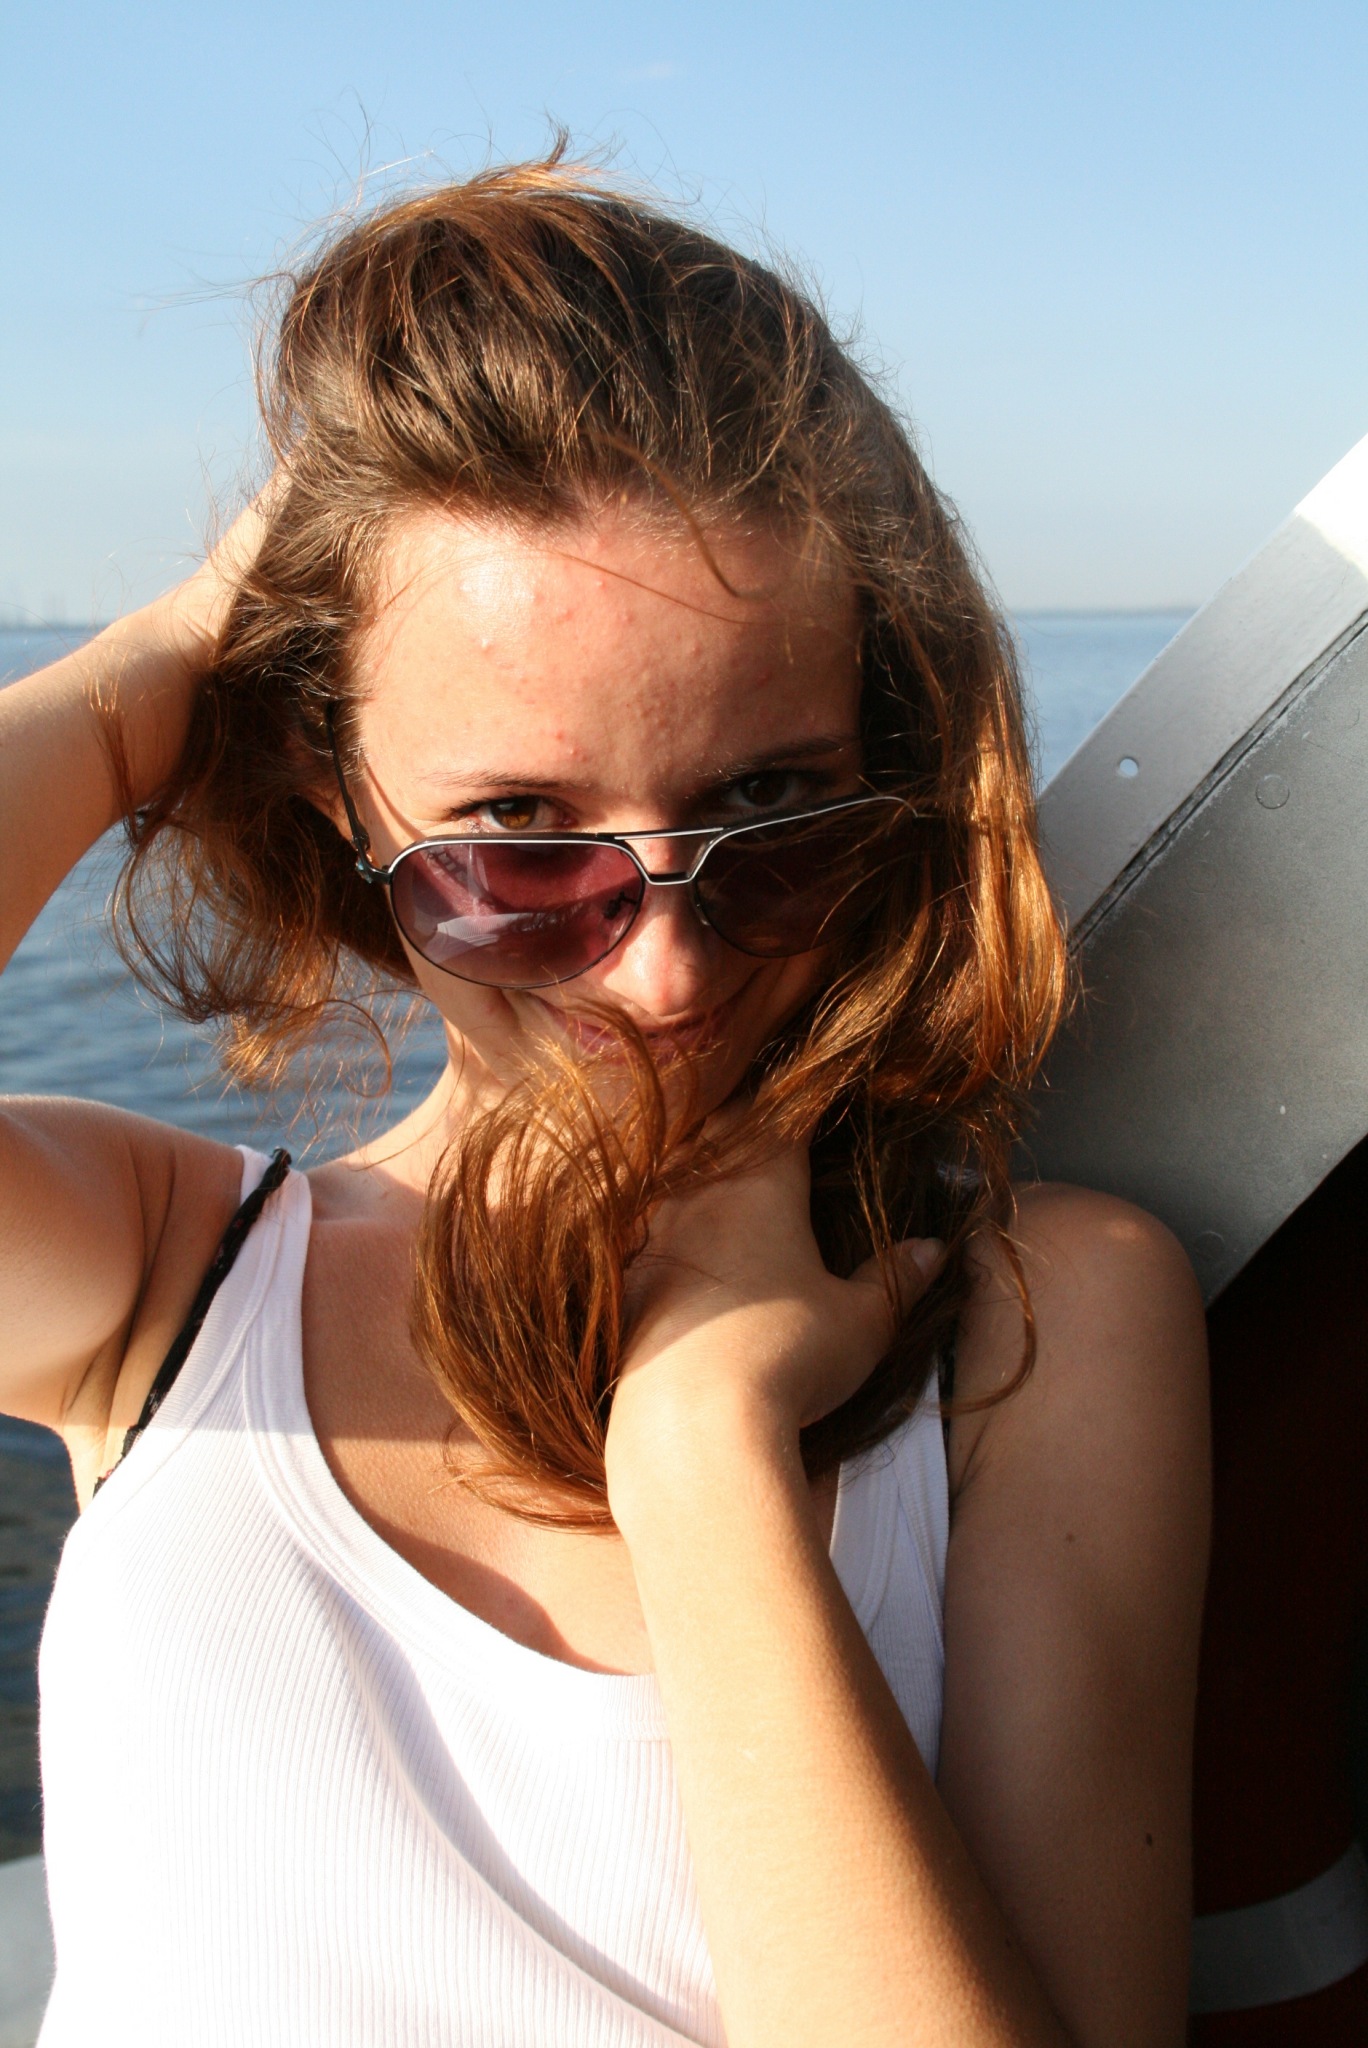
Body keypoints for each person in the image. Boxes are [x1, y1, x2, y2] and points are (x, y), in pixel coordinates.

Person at [0, 155, 1209, 2048]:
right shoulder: (167, 1283)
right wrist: (169, 658)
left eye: (770, 815)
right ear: (334, 787)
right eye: (514, 838)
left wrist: (705, 1459)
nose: (666, 976)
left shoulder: (1033, 1330)